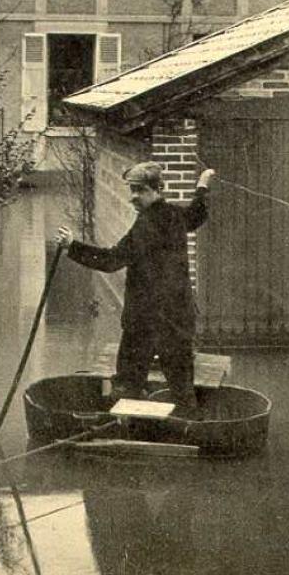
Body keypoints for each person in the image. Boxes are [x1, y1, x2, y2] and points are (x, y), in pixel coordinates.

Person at [56, 161, 216, 413]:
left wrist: (72, 246)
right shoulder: (175, 216)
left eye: (139, 190)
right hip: (179, 318)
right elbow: (197, 214)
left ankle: (125, 432)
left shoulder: (145, 227)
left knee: (128, 384)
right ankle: (188, 431)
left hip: (145, 319)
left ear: (156, 190)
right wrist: (202, 185)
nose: (133, 197)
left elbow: (110, 261)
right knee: (182, 387)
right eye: (131, 190)